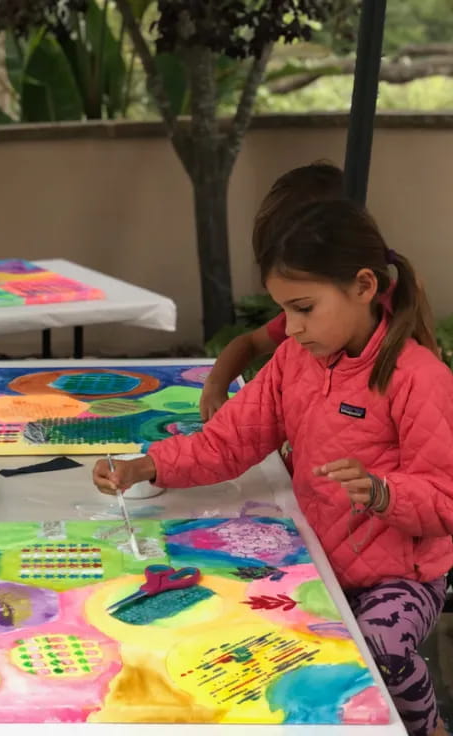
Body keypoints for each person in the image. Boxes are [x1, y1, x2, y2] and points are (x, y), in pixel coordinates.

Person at [94, 200, 453, 736]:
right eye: (285, 311)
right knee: (237, 642)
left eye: (304, 308)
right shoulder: (293, 360)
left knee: (377, 645)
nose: (292, 327)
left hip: (400, 577)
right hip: (317, 559)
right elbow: (230, 441)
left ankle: (427, 727)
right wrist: (147, 465)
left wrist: (382, 493)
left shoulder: (417, 377)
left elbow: (444, 502)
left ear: (362, 286)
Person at [200, 161, 347, 420]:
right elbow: (249, 342)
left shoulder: (396, 343)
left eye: (303, 307)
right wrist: (215, 386)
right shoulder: (307, 323)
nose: (291, 328)